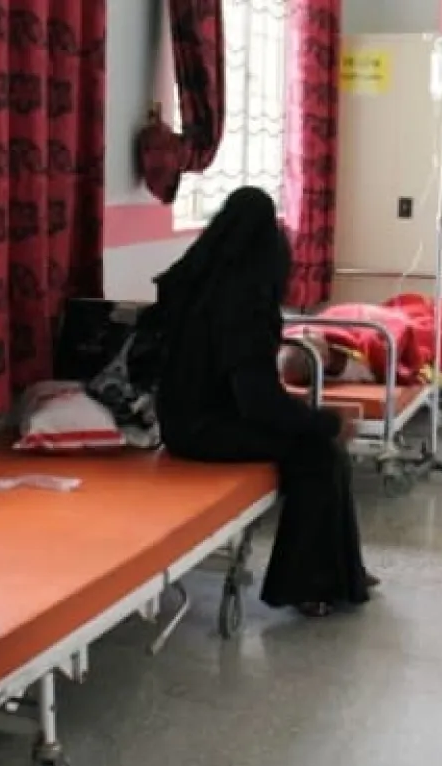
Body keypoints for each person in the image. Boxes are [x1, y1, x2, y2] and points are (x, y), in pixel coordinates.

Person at [153, 186, 374, 618]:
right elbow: (258, 403)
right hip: (207, 431)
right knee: (319, 454)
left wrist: (313, 420)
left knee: (320, 449)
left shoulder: (192, 284)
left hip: (178, 423)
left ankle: (342, 574)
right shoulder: (243, 305)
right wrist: (326, 422)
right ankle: (309, 585)